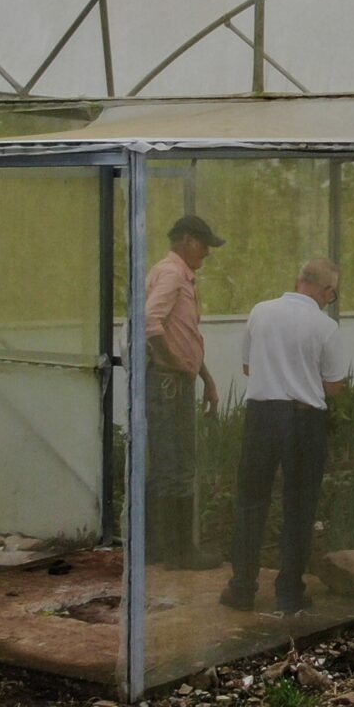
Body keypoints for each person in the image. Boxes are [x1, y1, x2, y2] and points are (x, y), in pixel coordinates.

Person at [223, 259, 346, 614]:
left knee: (251, 502)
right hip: (304, 420)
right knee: (299, 506)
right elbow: (334, 386)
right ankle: (289, 591)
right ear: (325, 291)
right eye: (333, 294)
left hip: (261, 416)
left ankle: (242, 587)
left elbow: (248, 367)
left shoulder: (260, 312)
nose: (331, 300)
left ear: (297, 281)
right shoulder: (325, 326)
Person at [144, 214, 223, 569]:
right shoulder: (174, 274)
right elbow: (150, 322)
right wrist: (173, 364)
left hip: (176, 379)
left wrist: (203, 375)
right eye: (204, 244)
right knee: (176, 465)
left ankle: (159, 548)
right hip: (169, 383)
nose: (206, 253)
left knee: (167, 463)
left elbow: (183, 333)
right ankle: (179, 551)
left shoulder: (174, 273)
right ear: (189, 240)